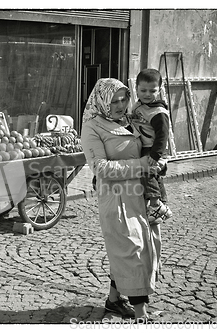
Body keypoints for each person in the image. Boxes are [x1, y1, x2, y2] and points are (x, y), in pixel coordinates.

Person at [81, 78, 160, 322]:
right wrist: (142, 165)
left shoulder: (128, 120)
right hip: (117, 201)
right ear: (102, 100)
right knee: (132, 250)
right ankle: (141, 315)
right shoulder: (92, 127)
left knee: (138, 248)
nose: (120, 104)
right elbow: (101, 168)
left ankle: (113, 301)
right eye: (114, 100)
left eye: (124, 98)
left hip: (139, 195)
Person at [130, 68, 172, 225]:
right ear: (136, 88)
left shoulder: (158, 112)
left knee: (148, 172)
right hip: (144, 146)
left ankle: (155, 205)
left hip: (153, 148)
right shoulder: (139, 105)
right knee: (154, 176)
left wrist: (155, 155)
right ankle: (162, 203)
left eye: (152, 91)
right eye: (143, 90)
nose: (147, 94)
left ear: (159, 90)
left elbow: (163, 136)